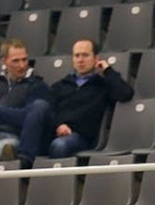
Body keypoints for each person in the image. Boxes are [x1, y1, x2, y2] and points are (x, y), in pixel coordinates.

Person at [44, 38, 134, 158]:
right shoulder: (61, 85)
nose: (80, 60)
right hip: (55, 131)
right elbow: (49, 108)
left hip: (81, 137)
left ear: (96, 59)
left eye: (85, 55)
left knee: (60, 145)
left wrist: (108, 70)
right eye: (77, 56)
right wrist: (59, 125)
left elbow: (126, 93)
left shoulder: (102, 86)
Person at [0, 38, 50, 169]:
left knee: (7, 146)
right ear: (4, 61)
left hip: (16, 137)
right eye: (16, 61)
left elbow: (28, 118)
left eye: (24, 60)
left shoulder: (37, 86)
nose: (22, 65)